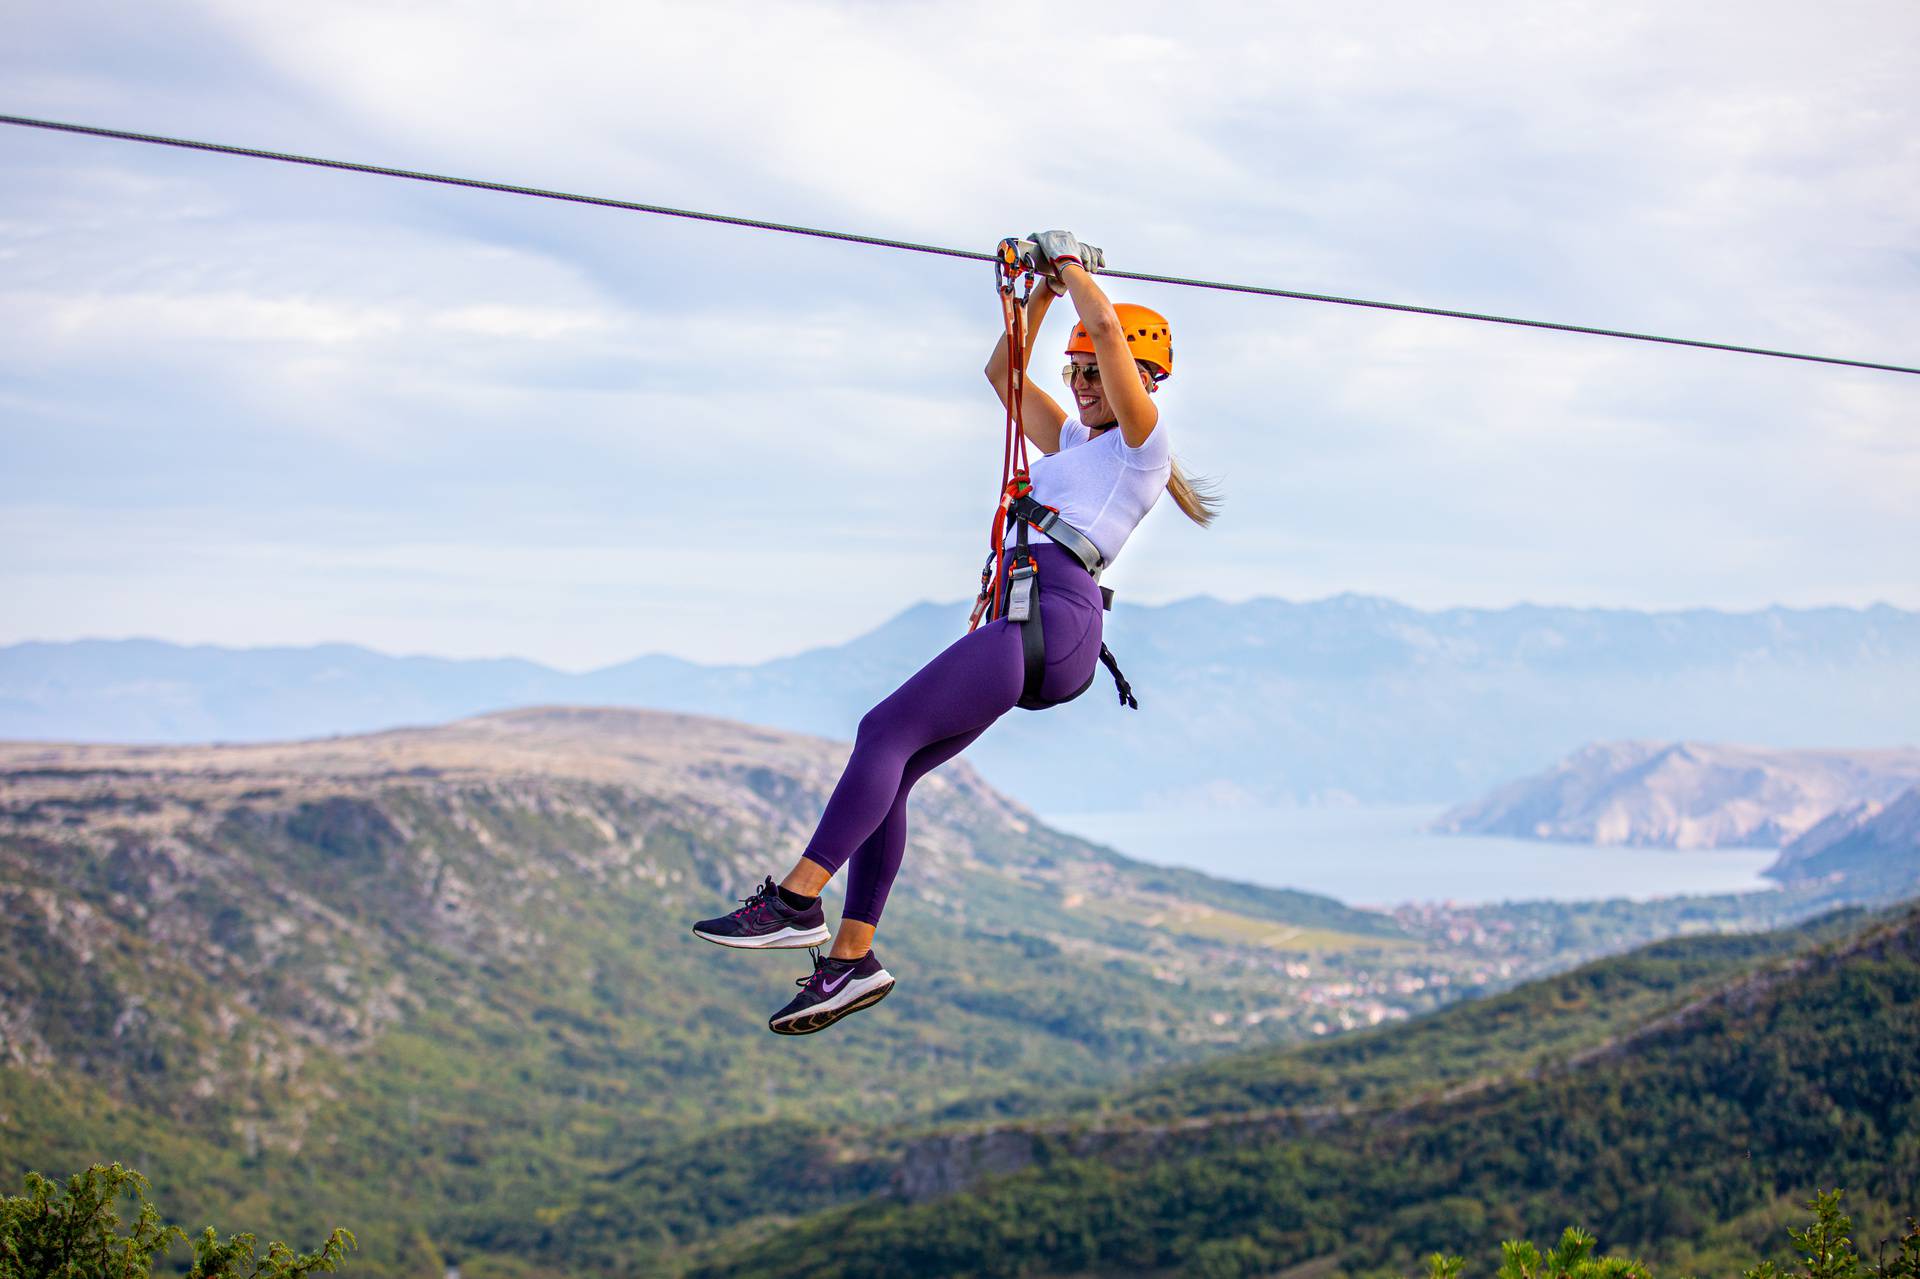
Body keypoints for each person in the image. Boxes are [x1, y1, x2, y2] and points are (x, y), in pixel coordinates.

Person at [692, 230, 1221, 1034]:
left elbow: (1109, 331)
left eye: (1091, 374)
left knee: (881, 729)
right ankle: (849, 962)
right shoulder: (1078, 446)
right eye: (1072, 373)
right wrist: (1041, 293)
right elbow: (1000, 375)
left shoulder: (1140, 452)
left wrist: (1071, 264)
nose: (1078, 385)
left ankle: (797, 900)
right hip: (1039, 614)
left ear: (1139, 381)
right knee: (893, 768)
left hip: (1052, 611)